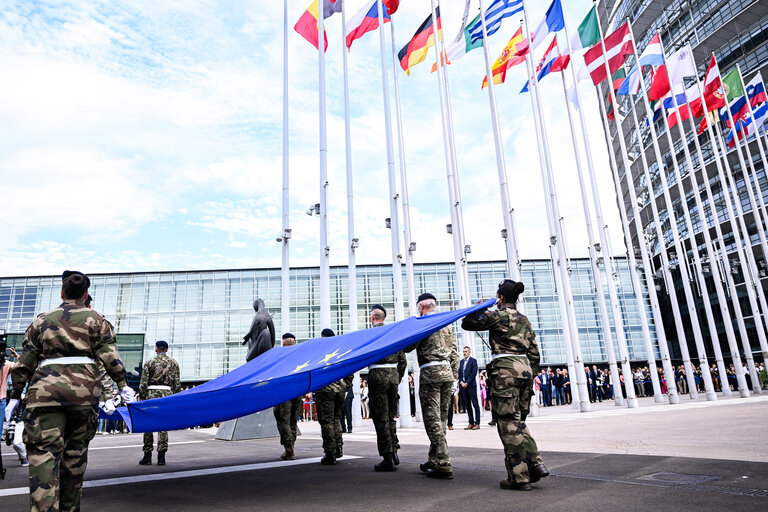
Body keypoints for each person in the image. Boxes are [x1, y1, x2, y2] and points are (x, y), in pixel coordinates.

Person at [5, 270, 136, 512]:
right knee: (74, 462)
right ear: (86, 294)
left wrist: (14, 396)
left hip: (45, 395)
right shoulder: (98, 320)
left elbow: (25, 363)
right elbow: (110, 357)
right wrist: (123, 385)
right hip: (84, 396)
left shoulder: (42, 321)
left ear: (63, 293)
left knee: (44, 460)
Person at [461, 279, 549, 491]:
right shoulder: (525, 320)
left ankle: (519, 477)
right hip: (525, 370)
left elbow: (468, 323)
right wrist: (531, 375)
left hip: (505, 370)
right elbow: (535, 352)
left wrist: (482, 306)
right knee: (518, 421)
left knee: (508, 423)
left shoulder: (498, 315)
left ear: (500, 298)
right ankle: (535, 464)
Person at [404, 292, 460, 479]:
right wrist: (454, 377)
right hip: (447, 374)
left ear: (421, 307)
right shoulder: (446, 325)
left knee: (432, 420)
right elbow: (455, 354)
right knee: (442, 419)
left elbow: (408, 346)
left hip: (430, 373)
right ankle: (434, 459)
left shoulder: (424, 323)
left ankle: (443, 462)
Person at [367, 304, 407, 472]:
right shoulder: (394, 333)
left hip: (377, 378)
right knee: (390, 416)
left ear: (372, 318)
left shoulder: (370, 334)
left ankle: (387, 457)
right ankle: (394, 451)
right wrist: (397, 377)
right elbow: (403, 361)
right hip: (393, 378)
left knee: (380, 418)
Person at [138, 339, 181, 466]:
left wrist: (142, 397)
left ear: (156, 349)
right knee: (163, 425)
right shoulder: (173, 363)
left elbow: (143, 383)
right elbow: (177, 384)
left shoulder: (149, 362)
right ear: (167, 349)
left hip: (151, 395)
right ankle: (161, 456)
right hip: (166, 395)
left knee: (148, 424)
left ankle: (147, 455)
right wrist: (176, 398)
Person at [315, 328, 353, 465]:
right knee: (336, 419)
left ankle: (330, 453)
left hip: (325, 390)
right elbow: (350, 369)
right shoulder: (340, 351)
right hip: (340, 390)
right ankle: (338, 447)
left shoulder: (319, 352)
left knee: (326, 422)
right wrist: (346, 386)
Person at [273, 333, 303, 460]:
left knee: (283, 420)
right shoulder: (300, 356)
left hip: (284, 392)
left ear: (283, 343)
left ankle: (289, 450)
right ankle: (291, 448)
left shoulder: (279, 356)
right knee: (292, 421)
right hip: (297, 392)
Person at [458, 346, 481, 429]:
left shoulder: (473, 361)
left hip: (471, 386)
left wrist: (467, 383)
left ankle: (477, 423)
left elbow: (473, 373)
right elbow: (459, 374)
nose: (464, 353)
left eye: (466, 351)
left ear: (469, 352)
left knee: (475, 404)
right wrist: (461, 382)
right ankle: (471, 423)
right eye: (463, 351)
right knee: (467, 405)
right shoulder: (461, 362)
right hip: (463, 387)